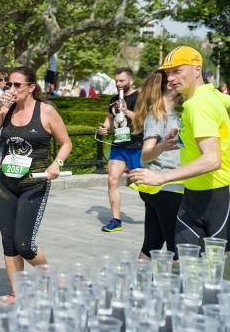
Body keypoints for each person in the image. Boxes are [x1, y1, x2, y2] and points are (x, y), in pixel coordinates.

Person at [0, 66, 72, 297]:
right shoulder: (5, 110)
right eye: (9, 84)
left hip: (34, 184)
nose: (12, 88)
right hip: (7, 185)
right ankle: (16, 294)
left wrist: (56, 164)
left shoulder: (45, 111)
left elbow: (66, 143)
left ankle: (49, 275)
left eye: (17, 85)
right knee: (9, 243)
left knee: (24, 245)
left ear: (31, 87)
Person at [130, 47, 230, 249]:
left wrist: (161, 178)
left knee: (215, 265)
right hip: (192, 194)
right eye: (168, 73)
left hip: (215, 195)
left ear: (197, 69)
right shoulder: (209, 94)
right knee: (183, 259)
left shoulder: (198, 104)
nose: (170, 78)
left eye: (177, 71)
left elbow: (212, 159)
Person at [128, 70, 183, 260]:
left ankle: (139, 279)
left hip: (161, 188)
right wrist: (162, 146)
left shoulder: (169, 114)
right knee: (179, 250)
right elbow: (146, 153)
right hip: (166, 189)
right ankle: (177, 279)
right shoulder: (158, 115)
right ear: (170, 85)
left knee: (152, 244)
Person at [97, 68, 142, 232]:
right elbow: (110, 117)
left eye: (122, 81)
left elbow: (144, 120)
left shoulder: (140, 97)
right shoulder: (114, 100)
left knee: (143, 184)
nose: (118, 84)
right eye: (116, 81)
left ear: (131, 81)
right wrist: (104, 128)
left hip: (137, 145)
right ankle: (116, 220)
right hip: (118, 145)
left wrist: (126, 111)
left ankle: (160, 214)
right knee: (112, 180)